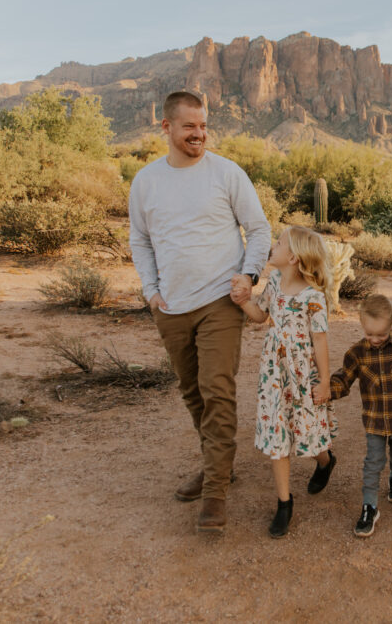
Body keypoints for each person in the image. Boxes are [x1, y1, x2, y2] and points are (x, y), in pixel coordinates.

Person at [129, 91, 271, 534]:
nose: (199, 133)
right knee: (193, 393)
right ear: (167, 128)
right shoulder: (146, 181)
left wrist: (249, 276)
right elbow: (140, 240)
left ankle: (215, 492)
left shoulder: (226, 174)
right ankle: (219, 466)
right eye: (189, 125)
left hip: (220, 303)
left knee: (217, 390)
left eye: (203, 125)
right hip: (170, 306)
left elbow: (260, 229)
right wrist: (151, 291)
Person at [232, 226, 335, 538]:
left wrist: (326, 383)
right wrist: (242, 301)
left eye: (278, 243)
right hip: (274, 374)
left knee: (309, 431)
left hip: (303, 374)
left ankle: (325, 460)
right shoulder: (274, 282)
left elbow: (320, 342)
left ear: (293, 257)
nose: (272, 247)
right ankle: (284, 503)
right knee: (279, 434)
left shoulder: (313, 297)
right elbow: (261, 315)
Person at [330, 294, 392, 538]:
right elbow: (344, 379)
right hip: (374, 419)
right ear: (362, 325)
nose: (374, 340)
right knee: (372, 462)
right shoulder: (357, 353)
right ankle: (369, 507)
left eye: (381, 335)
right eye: (369, 334)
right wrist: (326, 390)